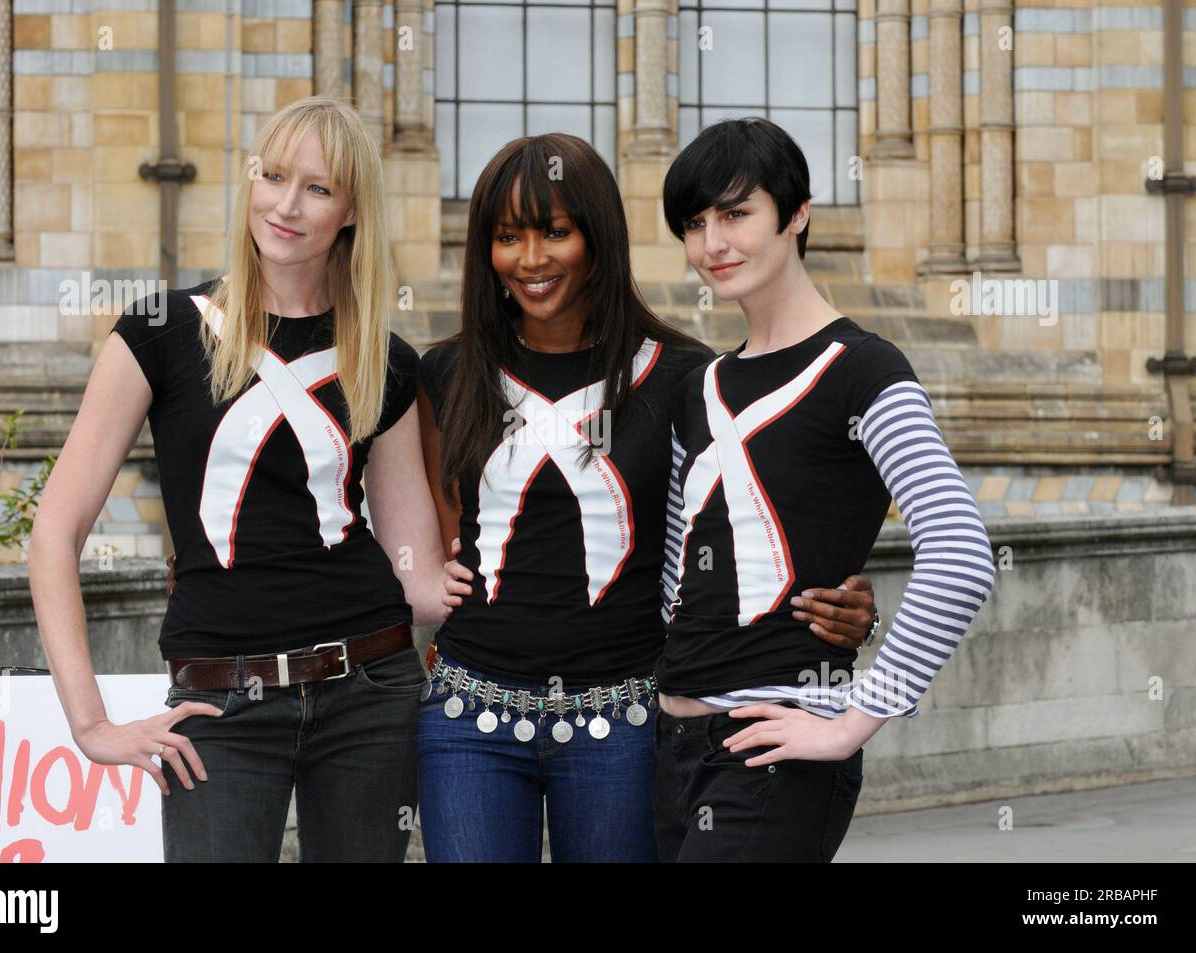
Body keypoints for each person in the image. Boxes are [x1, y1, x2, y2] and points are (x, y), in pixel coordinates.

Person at [416, 132, 879, 862]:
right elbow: (439, 532)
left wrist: (843, 598)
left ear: (598, 235)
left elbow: (736, 532)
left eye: (556, 232)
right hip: (468, 721)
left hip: (626, 722)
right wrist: (420, 573)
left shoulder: (681, 376)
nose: (531, 259)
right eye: (508, 237)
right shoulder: (443, 373)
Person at [28, 97, 447, 862]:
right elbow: (55, 532)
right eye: (273, 175)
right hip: (217, 702)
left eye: (318, 188)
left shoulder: (385, 361)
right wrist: (90, 723)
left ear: (352, 212)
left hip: (371, 691)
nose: (286, 205)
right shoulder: (158, 329)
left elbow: (414, 572)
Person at [652, 117, 996, 862]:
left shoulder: (866, 372)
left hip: (777, 750)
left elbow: (963, 555)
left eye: (737, 214)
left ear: (798, 213)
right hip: (668, 750)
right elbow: (677, 579)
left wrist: (853, 716)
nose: (713, 243)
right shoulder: (696, 386)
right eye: (695, 223)